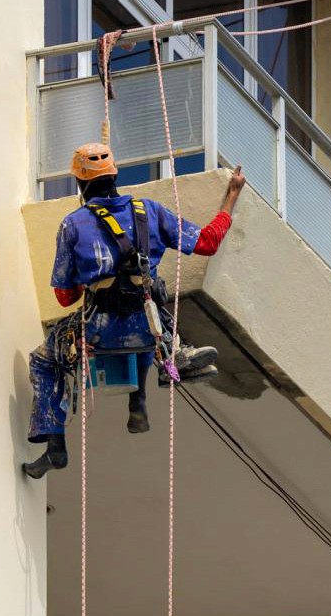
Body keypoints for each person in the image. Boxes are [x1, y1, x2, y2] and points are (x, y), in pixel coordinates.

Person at [20, 145, 244, 478]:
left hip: (97, 328)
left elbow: (65, 297)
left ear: (80, 183)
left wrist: (92, 279)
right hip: (148, 327)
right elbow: (207, 243)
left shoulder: (73, 225)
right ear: (115, 175)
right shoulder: (149, 212)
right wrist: (231, 197)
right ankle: (138, 401)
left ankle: (55, 447)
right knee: (147, 322)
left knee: (44, 359)